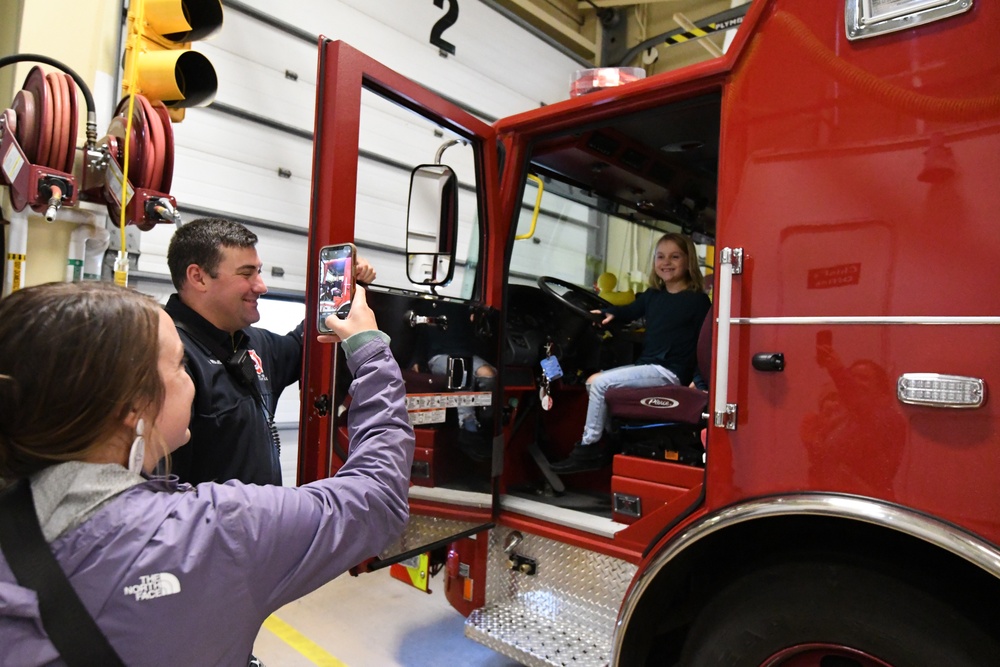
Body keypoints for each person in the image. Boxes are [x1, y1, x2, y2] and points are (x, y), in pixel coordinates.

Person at [0, 281, 413, 665]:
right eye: (180, 365)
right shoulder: (218, 530)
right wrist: (371, 351)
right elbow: (377, 498)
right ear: (130, 408)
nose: (192, 379)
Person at [164, 217, 375, 485]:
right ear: (198, 277)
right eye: (246, 273)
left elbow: (306, 341)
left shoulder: (254, 344)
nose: (261, 286)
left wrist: (347, 287)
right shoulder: (163, 355)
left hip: (263, 522)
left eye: (259, 271)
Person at [549, 233, 711, 473]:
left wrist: (698, 381)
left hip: (670, 371)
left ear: (688, 261)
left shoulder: (697, 302)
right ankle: (608, 440)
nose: (666, 262)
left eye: (675, 257)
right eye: (660, 257)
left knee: (600, 384)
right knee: (594, 381)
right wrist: (610, 312)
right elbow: (630, 310)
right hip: (647, 366)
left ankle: (588, 448)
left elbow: (704, 343)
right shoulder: (653, 296)